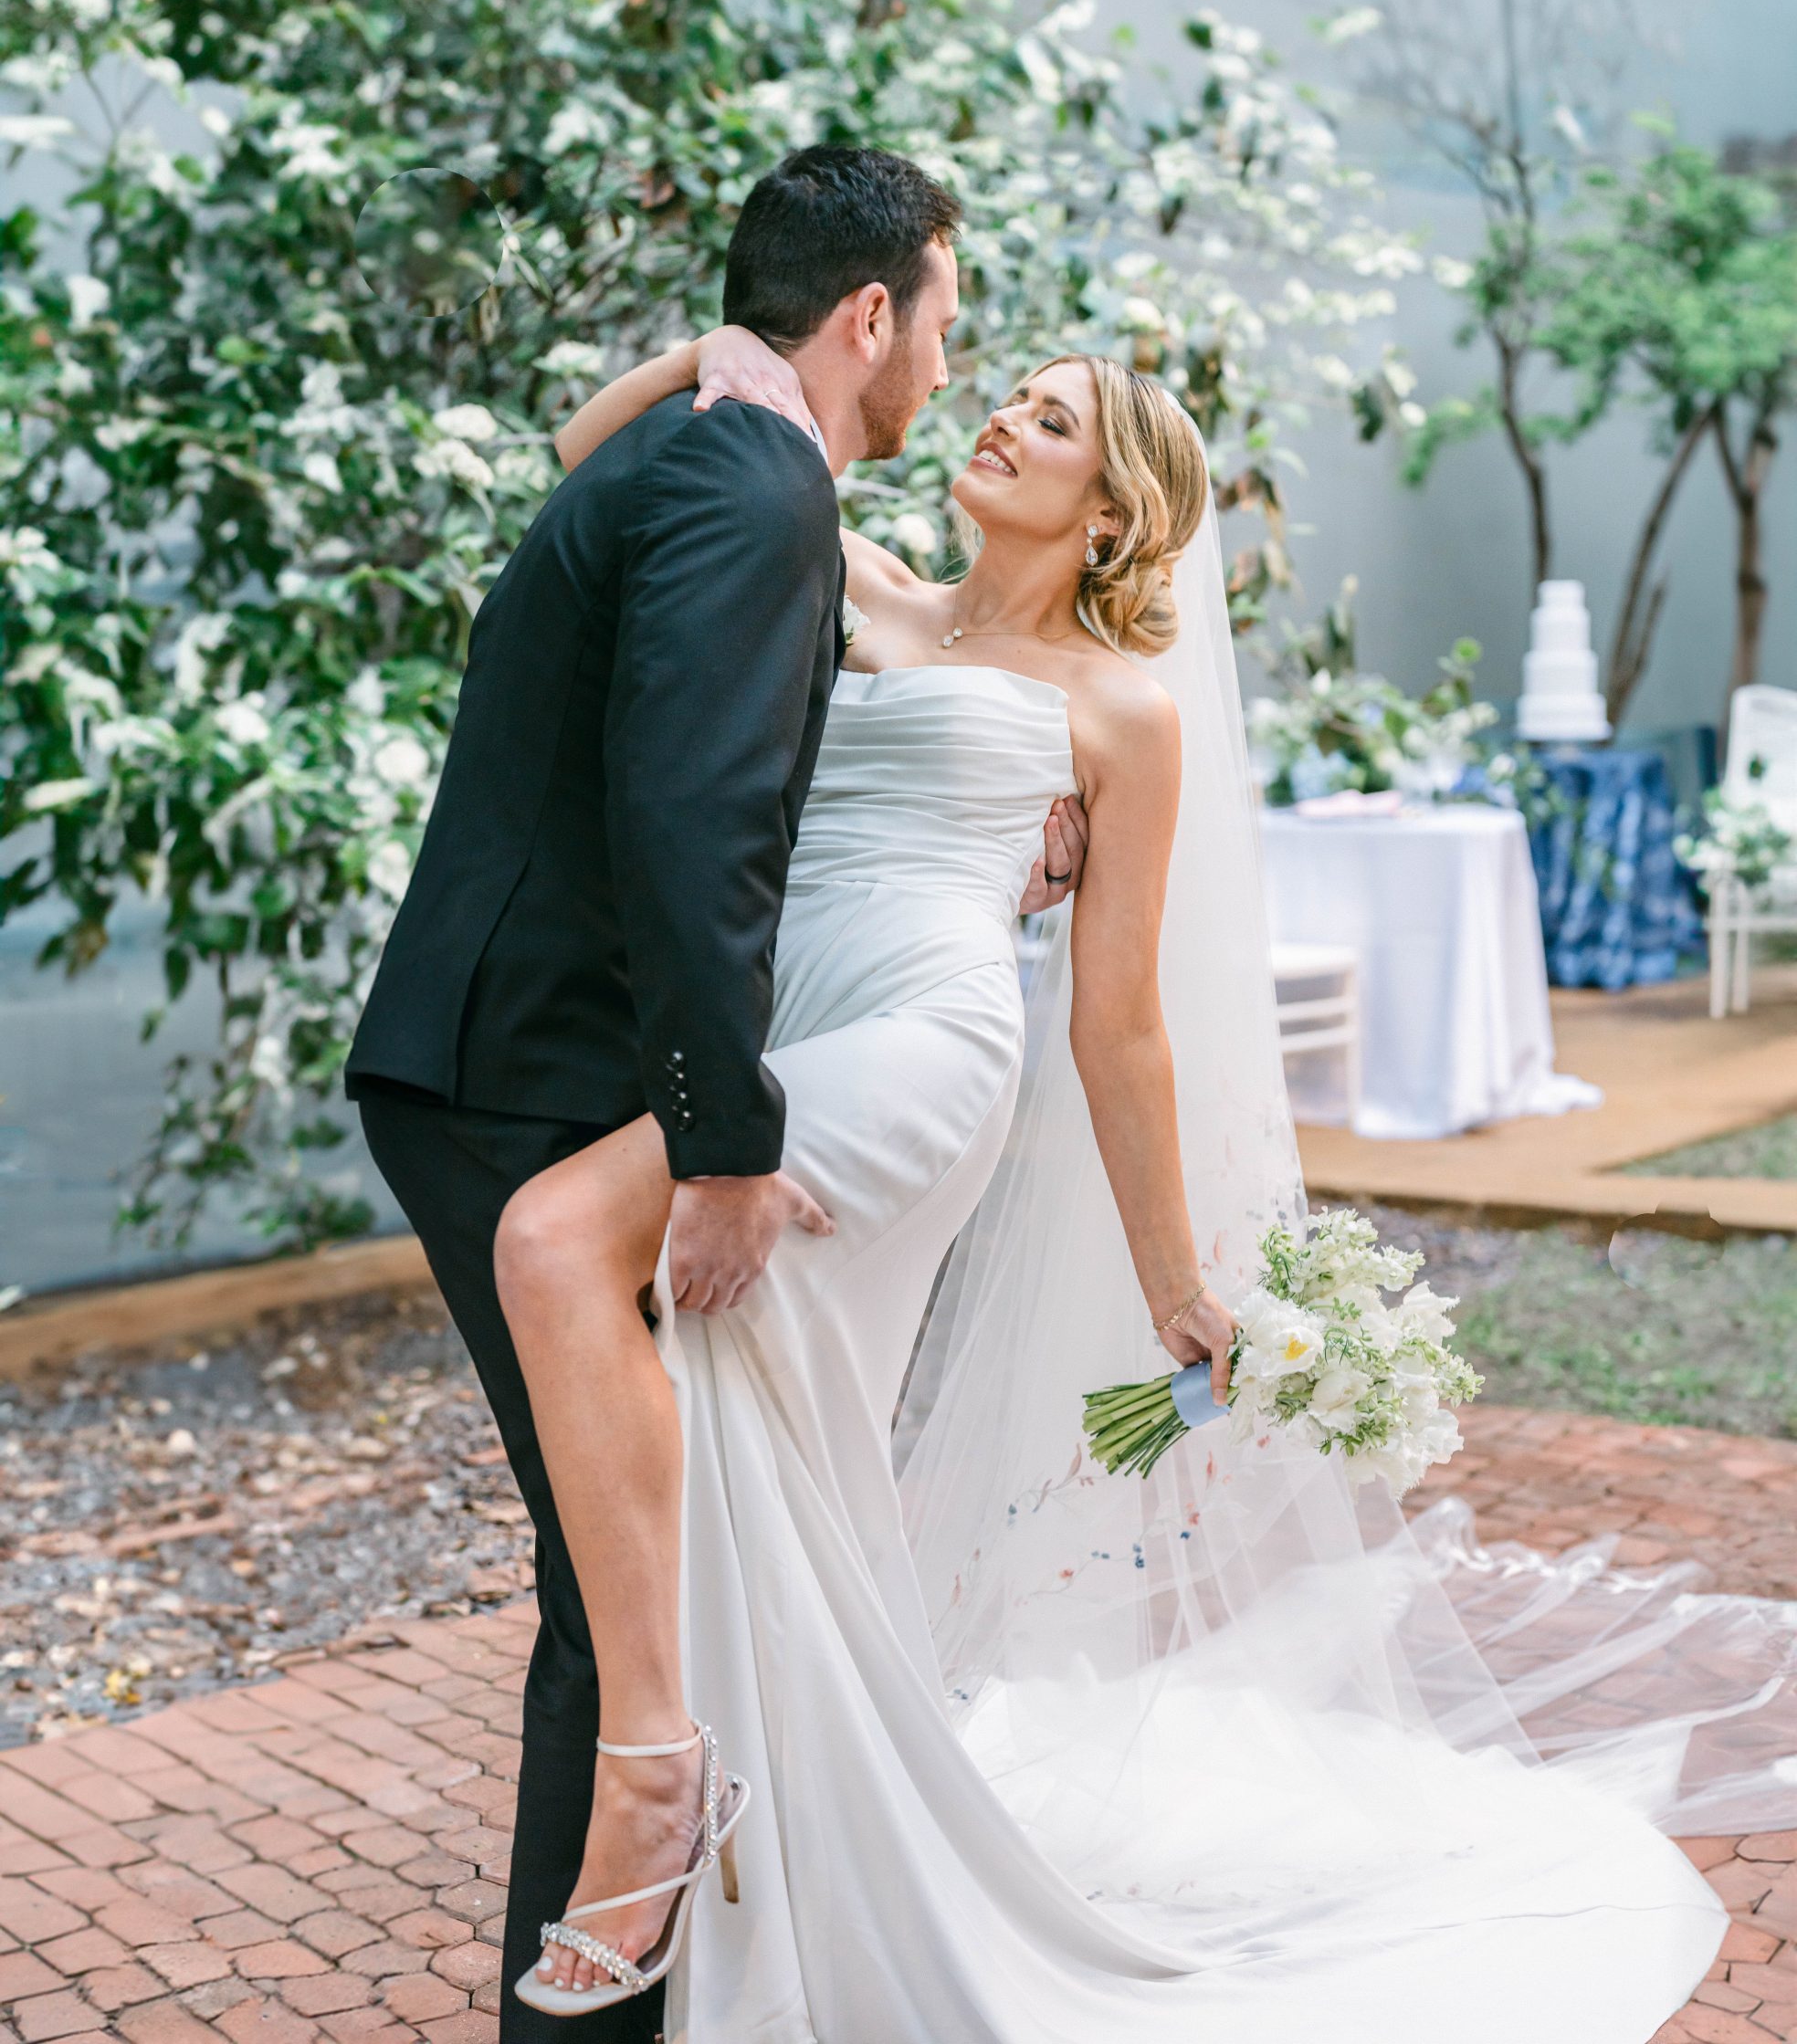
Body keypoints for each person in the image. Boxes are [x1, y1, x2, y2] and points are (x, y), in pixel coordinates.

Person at [488, 326, 1752, 2042]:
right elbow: (587, 468)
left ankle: (671, 1786)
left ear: (1110, 510)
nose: (1004, 411)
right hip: (782, 1034)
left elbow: (1122, 1028)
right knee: (753, 1428)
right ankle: (800, 1851)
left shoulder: (1121, 711)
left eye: (1055, 419)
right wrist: (704, 353)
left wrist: (1177, 1284)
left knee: (594, 1269)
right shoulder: (854, 578)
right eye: (1010, 389)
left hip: (914, 1059)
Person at [345, 145, 1085, 2041]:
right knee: (627, 1594)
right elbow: (698, 831)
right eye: (946, 310)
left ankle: (614, 1983)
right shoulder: (755, 481)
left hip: (506, 1044)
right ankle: (619, 1939)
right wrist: (727, 1139)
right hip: (525, 1061)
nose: (954, 355)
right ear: (872, 315)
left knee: (630, 1572)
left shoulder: (724, 461)